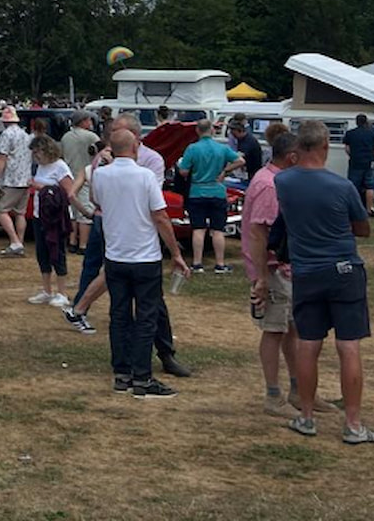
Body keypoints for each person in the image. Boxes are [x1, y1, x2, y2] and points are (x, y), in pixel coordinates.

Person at [276, 120, 374, 444]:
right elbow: (363, 228)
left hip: (306, 272)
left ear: (298, 147)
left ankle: (306, 417)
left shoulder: (283, 182)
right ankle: (353, 424)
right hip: (344, 269)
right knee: (348, 346)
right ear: (325, 146)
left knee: (308, 345)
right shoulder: (342, 186)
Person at [93, 127, 191, 398]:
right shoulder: (145, 176)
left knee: (119, 315)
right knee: (146, 317)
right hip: (144, 256)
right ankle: (142, 377)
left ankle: (122, 373)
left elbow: (95, 201)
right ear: (135, 147)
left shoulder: (101, 174)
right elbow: (160, 216)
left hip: (116, 254)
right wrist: (176, 253)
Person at [243, 128, 330, 418]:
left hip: (286, 270)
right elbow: (259, 234)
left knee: (292, 329)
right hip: (273, 271)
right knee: (274, 330)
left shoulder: (275, 180)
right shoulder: (270, 185)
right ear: (292, 157)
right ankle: (273, 395)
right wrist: (262, 278)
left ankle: (299, 391)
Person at [177, 119, 239, 273]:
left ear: (197, 131)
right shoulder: (222, 148)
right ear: (212, 130)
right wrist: (225, 171)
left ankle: (197, 264)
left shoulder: (192, 148)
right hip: (217, 192)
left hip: (197, 192)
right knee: (218, 230)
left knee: (198, 229)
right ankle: (220, 264)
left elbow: (183, 171)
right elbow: (240, 160)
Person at [26, 135, 77, 307]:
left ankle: (62, 292)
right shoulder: (41, 167)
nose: (35, 156)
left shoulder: (60, 167)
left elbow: (68, 192)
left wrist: (41, 187)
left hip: (56, 218)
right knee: (42, 254)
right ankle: (46, 290)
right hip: (39, 215)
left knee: (57, 253)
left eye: (37, 152)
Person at [0, 110, 31, 257]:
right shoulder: (25, 135)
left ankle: (15, 242)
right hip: (25, 178)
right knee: (20, 213)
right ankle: (19, 242)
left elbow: (2, 158)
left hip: (10, 179)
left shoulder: (6, 135)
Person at [61, 112, 98, 252]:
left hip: (69, 175)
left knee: (72, 211)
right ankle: (83, 244)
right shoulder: (91, 137)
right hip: (84, 176)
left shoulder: (66, 137)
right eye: (89, 120)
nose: (91, 123)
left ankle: (72, 241)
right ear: (83, 121)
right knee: (84, 211)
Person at [341, 114, 374, 206]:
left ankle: (355, 207)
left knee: (353, 187)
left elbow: (347, 149)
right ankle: (369, 209)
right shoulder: (372, 133)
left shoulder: (350, 133)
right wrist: (372, 157)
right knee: (370, 186)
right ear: (366, 121)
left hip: (355, 163)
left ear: (356, 122)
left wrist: (353, 156)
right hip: (369, 163)